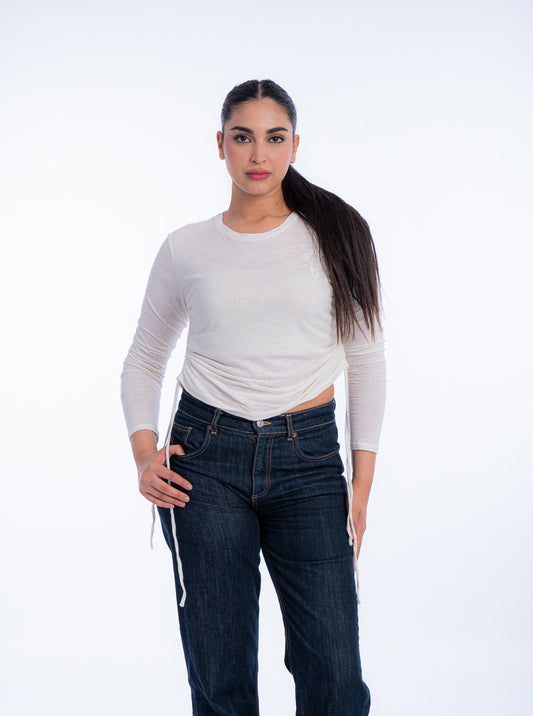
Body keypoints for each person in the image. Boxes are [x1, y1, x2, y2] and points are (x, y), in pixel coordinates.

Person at [121, 78, 386, 716]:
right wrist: (144, 454)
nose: (258, 154)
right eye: (243, 137)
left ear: (295, 145)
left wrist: (361, 485)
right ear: (220, 144)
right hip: (204, 460)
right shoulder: (187, 247)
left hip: (309, 460)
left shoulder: (339, 234)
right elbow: (145, 359)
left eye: (274, 138)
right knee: (220, 672)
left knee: (334, 673)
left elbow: (367, 360)